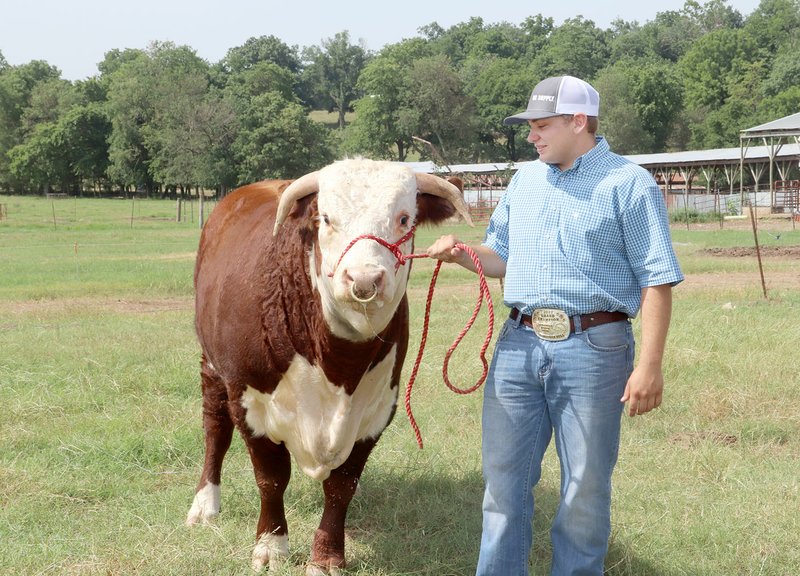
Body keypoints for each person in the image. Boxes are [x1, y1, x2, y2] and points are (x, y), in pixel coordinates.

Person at [427, 75, 684, 576]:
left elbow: (657, 279)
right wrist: (463, 253)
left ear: (579, 122)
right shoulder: (525, 181)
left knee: (584, 487)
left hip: (595, 348)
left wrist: (649, 366)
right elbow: (500, 255)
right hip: (518, 345)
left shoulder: (628, 185)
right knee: (502, 484)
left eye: (542, 126)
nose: (532, 137)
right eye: (531, 128)